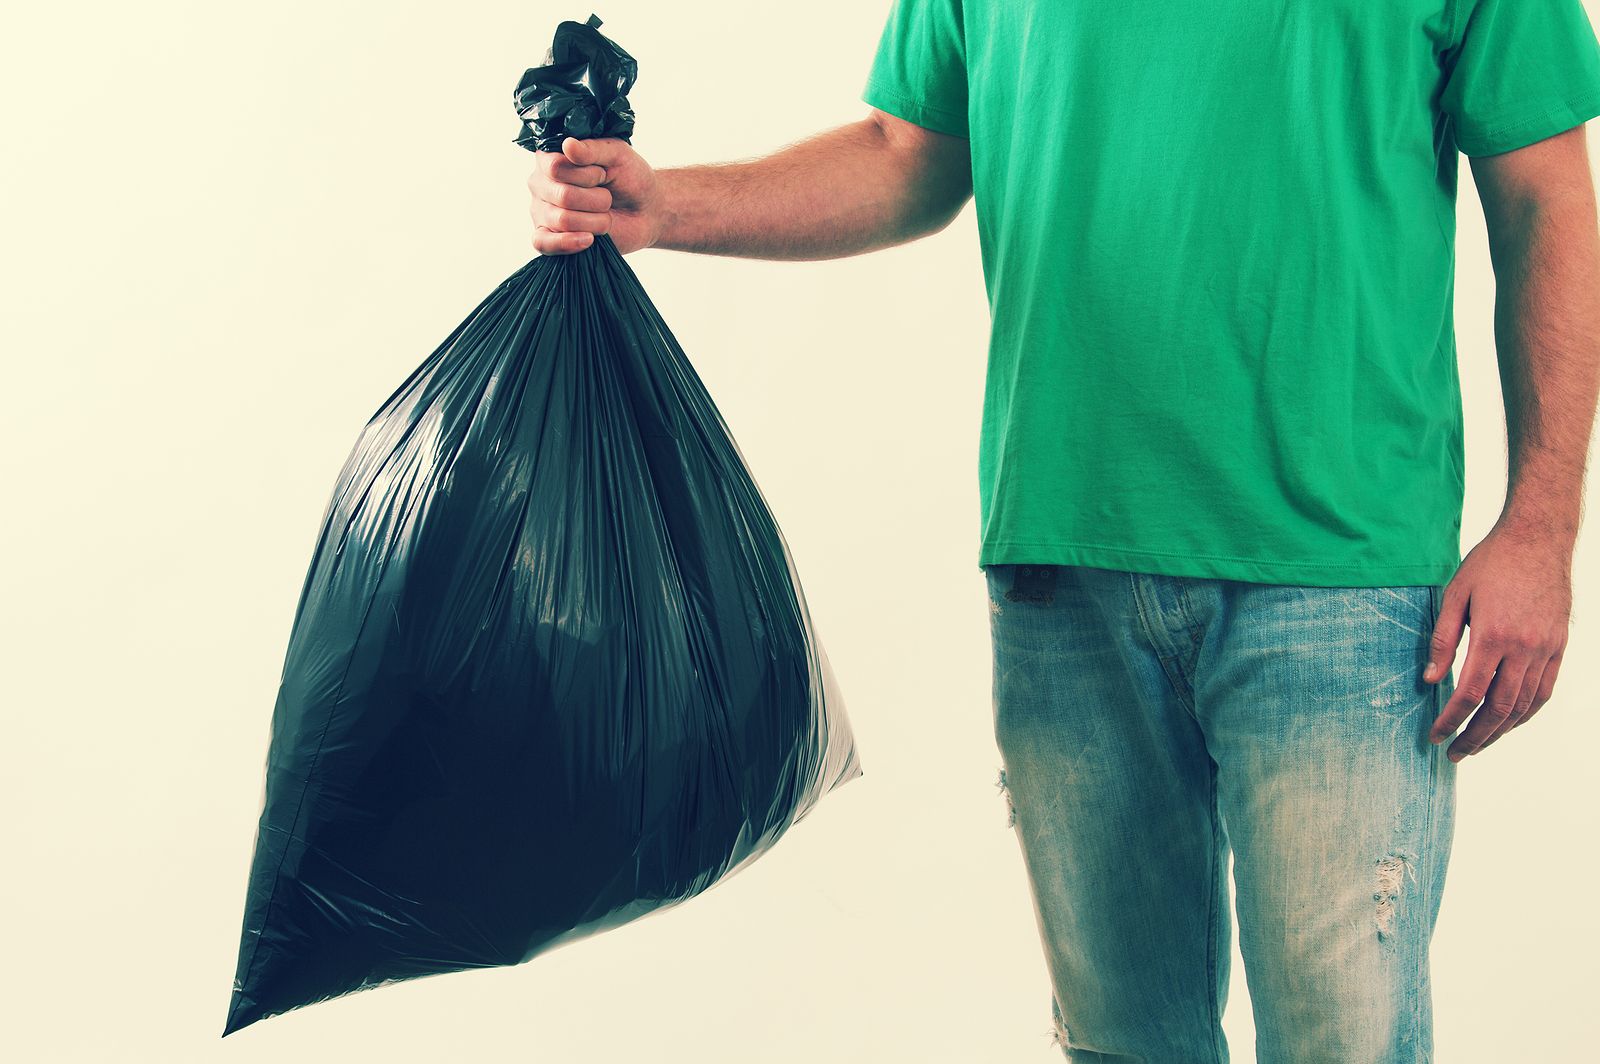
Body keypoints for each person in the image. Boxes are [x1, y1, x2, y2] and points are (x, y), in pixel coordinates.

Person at [526, 2, 1600, 1060]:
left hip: (1339, 578)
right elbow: (908, 151)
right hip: (1065, 569)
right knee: (1119, 1045)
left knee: (1344, 1045)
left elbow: (1546, 196)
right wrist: (664, 207)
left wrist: (1540, 530)